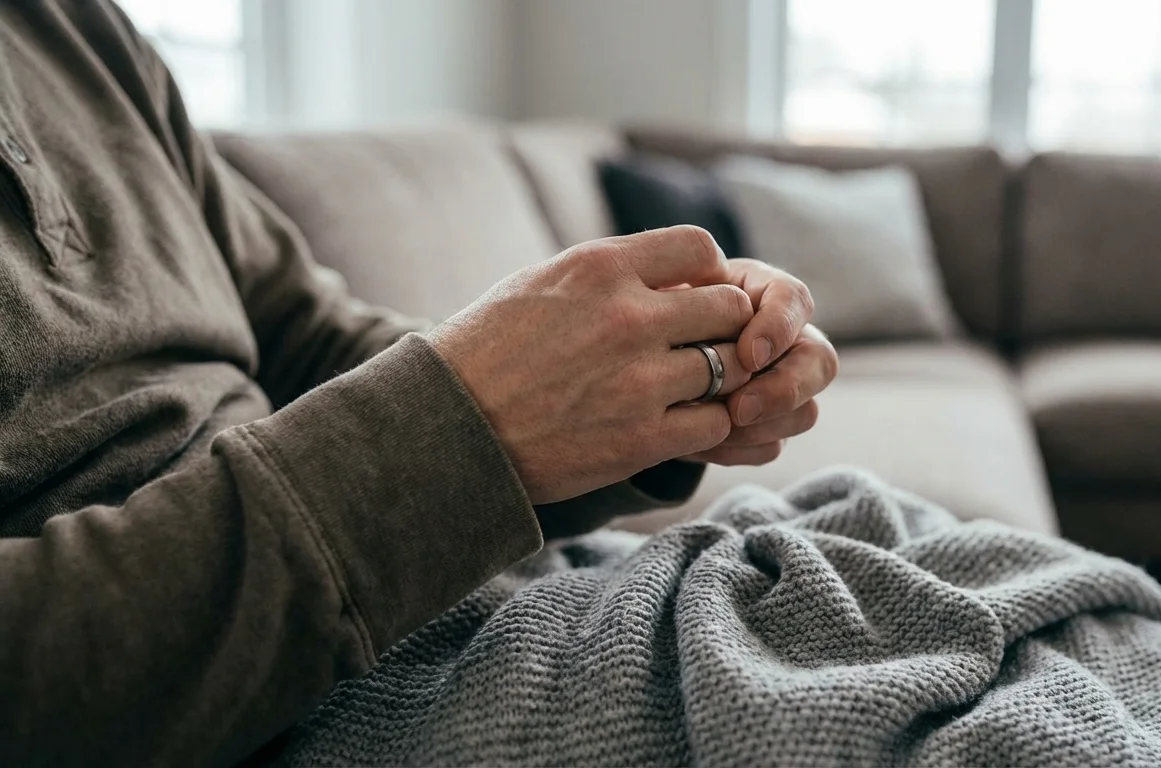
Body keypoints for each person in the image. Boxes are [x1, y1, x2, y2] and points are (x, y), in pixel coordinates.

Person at [0, 1, 837, 765]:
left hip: (489, 592)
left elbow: (305, 333)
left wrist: (644, 386)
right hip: (286, 709)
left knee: (874, 543)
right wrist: (462, 431)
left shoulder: (79, 26)